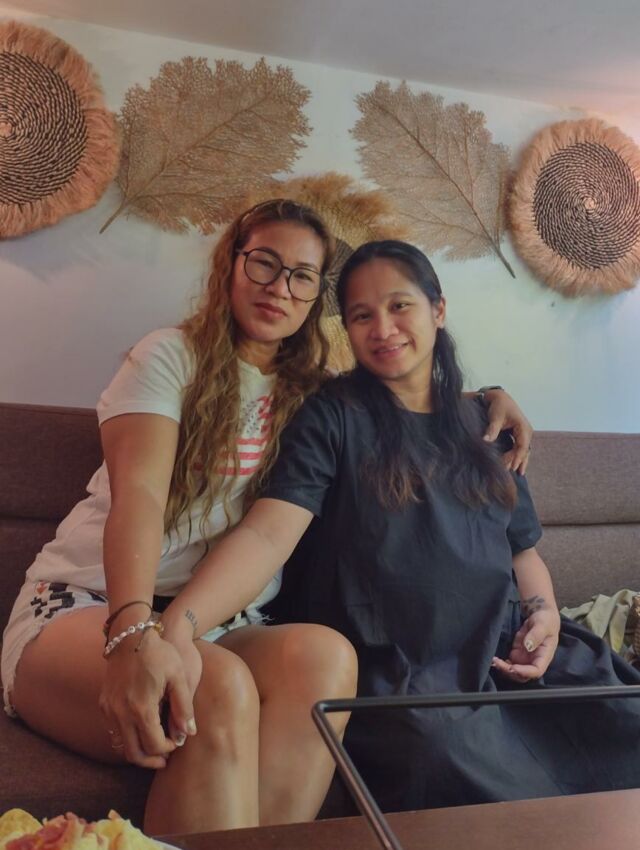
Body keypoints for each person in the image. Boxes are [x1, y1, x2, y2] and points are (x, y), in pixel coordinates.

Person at [1, 202, 532, 833]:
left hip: (218, 623)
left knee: (327, 658)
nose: (280, 287)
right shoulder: (168, 355)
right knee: (216, 686)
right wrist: (135, 632)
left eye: (302, 276)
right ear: (231, 264)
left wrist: (486, 399)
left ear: (315, 299)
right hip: (92, 605)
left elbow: (404, 393)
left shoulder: (310, 394)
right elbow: (139, 495)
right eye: (265, 264)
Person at [151, 239, 640, 816]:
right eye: (362, 316)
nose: (382, 329)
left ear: (438, 309)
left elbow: (522, 551)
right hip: (400, 664)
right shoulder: (332, 415)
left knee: (622, 721)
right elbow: (268, 534)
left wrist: (547, 616)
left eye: (400, 306)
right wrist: (180, 625)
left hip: (502, 648)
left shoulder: (487, 425)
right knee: (447, 757)